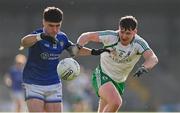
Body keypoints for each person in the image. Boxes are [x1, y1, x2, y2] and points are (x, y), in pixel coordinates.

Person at [20, 6, 109, 112]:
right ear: (43, 22)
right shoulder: (37, 35)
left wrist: (94, 52)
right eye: (51, 26)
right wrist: (41, 36)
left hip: (53, 83)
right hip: (33, 83)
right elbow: (24, 42)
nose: (55, 30)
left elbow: (74, 50)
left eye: (58, 26)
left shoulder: (62, 37)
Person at [77, 15, 159, 112]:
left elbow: (152, 58)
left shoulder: (139, 43)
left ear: (135, 32)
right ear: (118, 29)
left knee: (107, 108)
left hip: (119, 82)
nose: (124, 36)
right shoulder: (111, 36)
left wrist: (144, 67)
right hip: (102, 74)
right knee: (116, 102)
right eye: (122, 32)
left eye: (128, 33)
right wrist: (78, 46)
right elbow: (86, 36)